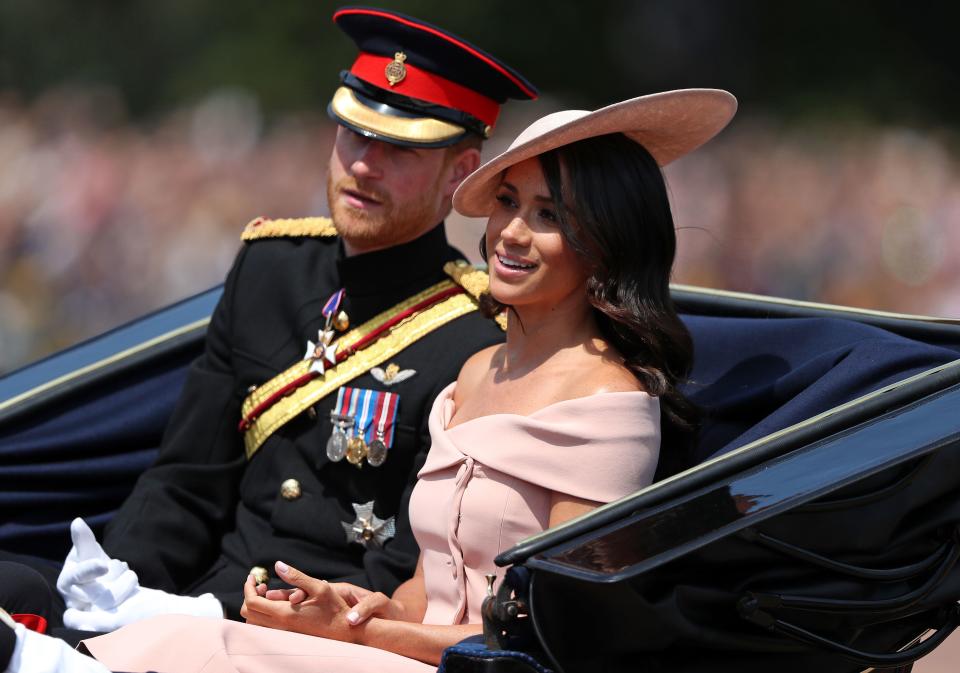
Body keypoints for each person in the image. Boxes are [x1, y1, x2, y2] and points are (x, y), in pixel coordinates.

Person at [76, 88, 738, 671]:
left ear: (606, 242)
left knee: (192, 650)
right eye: (507, 202)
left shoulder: (607, 404)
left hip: (480, 665)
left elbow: (557, 632)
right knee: (141, 637)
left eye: (549, 216)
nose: (510, 232)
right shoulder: (479, 369)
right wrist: (355, 606)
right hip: (394, 648)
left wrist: (370, 632)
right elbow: (430, 579)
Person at [0, 6, 537, 634]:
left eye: (399, 149)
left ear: (461, 171)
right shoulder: (270, 268)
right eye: (355, 134)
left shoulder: (478, 340)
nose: (364, 164)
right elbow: (186, 480)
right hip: (189, 605)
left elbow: (411, 576)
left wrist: (210, 618)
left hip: (312, 638)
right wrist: (118, 586)